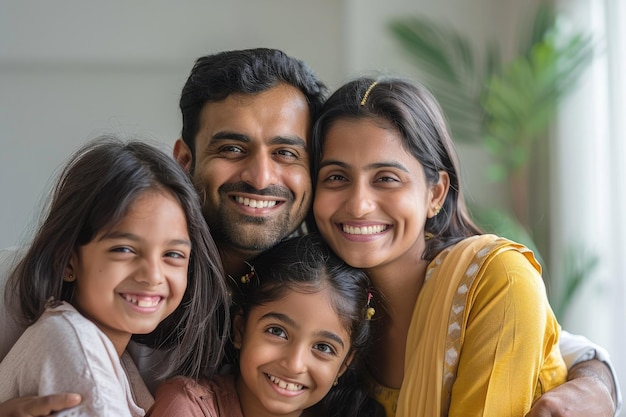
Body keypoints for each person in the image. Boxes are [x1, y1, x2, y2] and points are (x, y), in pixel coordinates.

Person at [0, 48, 619, 416]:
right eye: (234, 147)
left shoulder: (330, 258)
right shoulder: (98, 270)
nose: (262, 175)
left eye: (288, 153)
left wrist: (598, 386)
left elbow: (545, 339)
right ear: (186, 161)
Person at [310, 76, 618, 416]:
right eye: (336, 177)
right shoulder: (325, 305)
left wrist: (599, 382)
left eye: (386, 178)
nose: (358, 205)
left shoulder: (495, 279)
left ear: (436, 193)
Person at [0, 137, 229, 416]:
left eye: (173, 255)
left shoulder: (112, 358)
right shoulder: (78, 351)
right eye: (124, 249)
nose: (152, 275)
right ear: (67, 260)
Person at [147, 233, 381, 417]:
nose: (294, 364)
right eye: (277, 332)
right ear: (240, 329)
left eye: (323, 348)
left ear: (343, 366)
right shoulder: (188, 406)